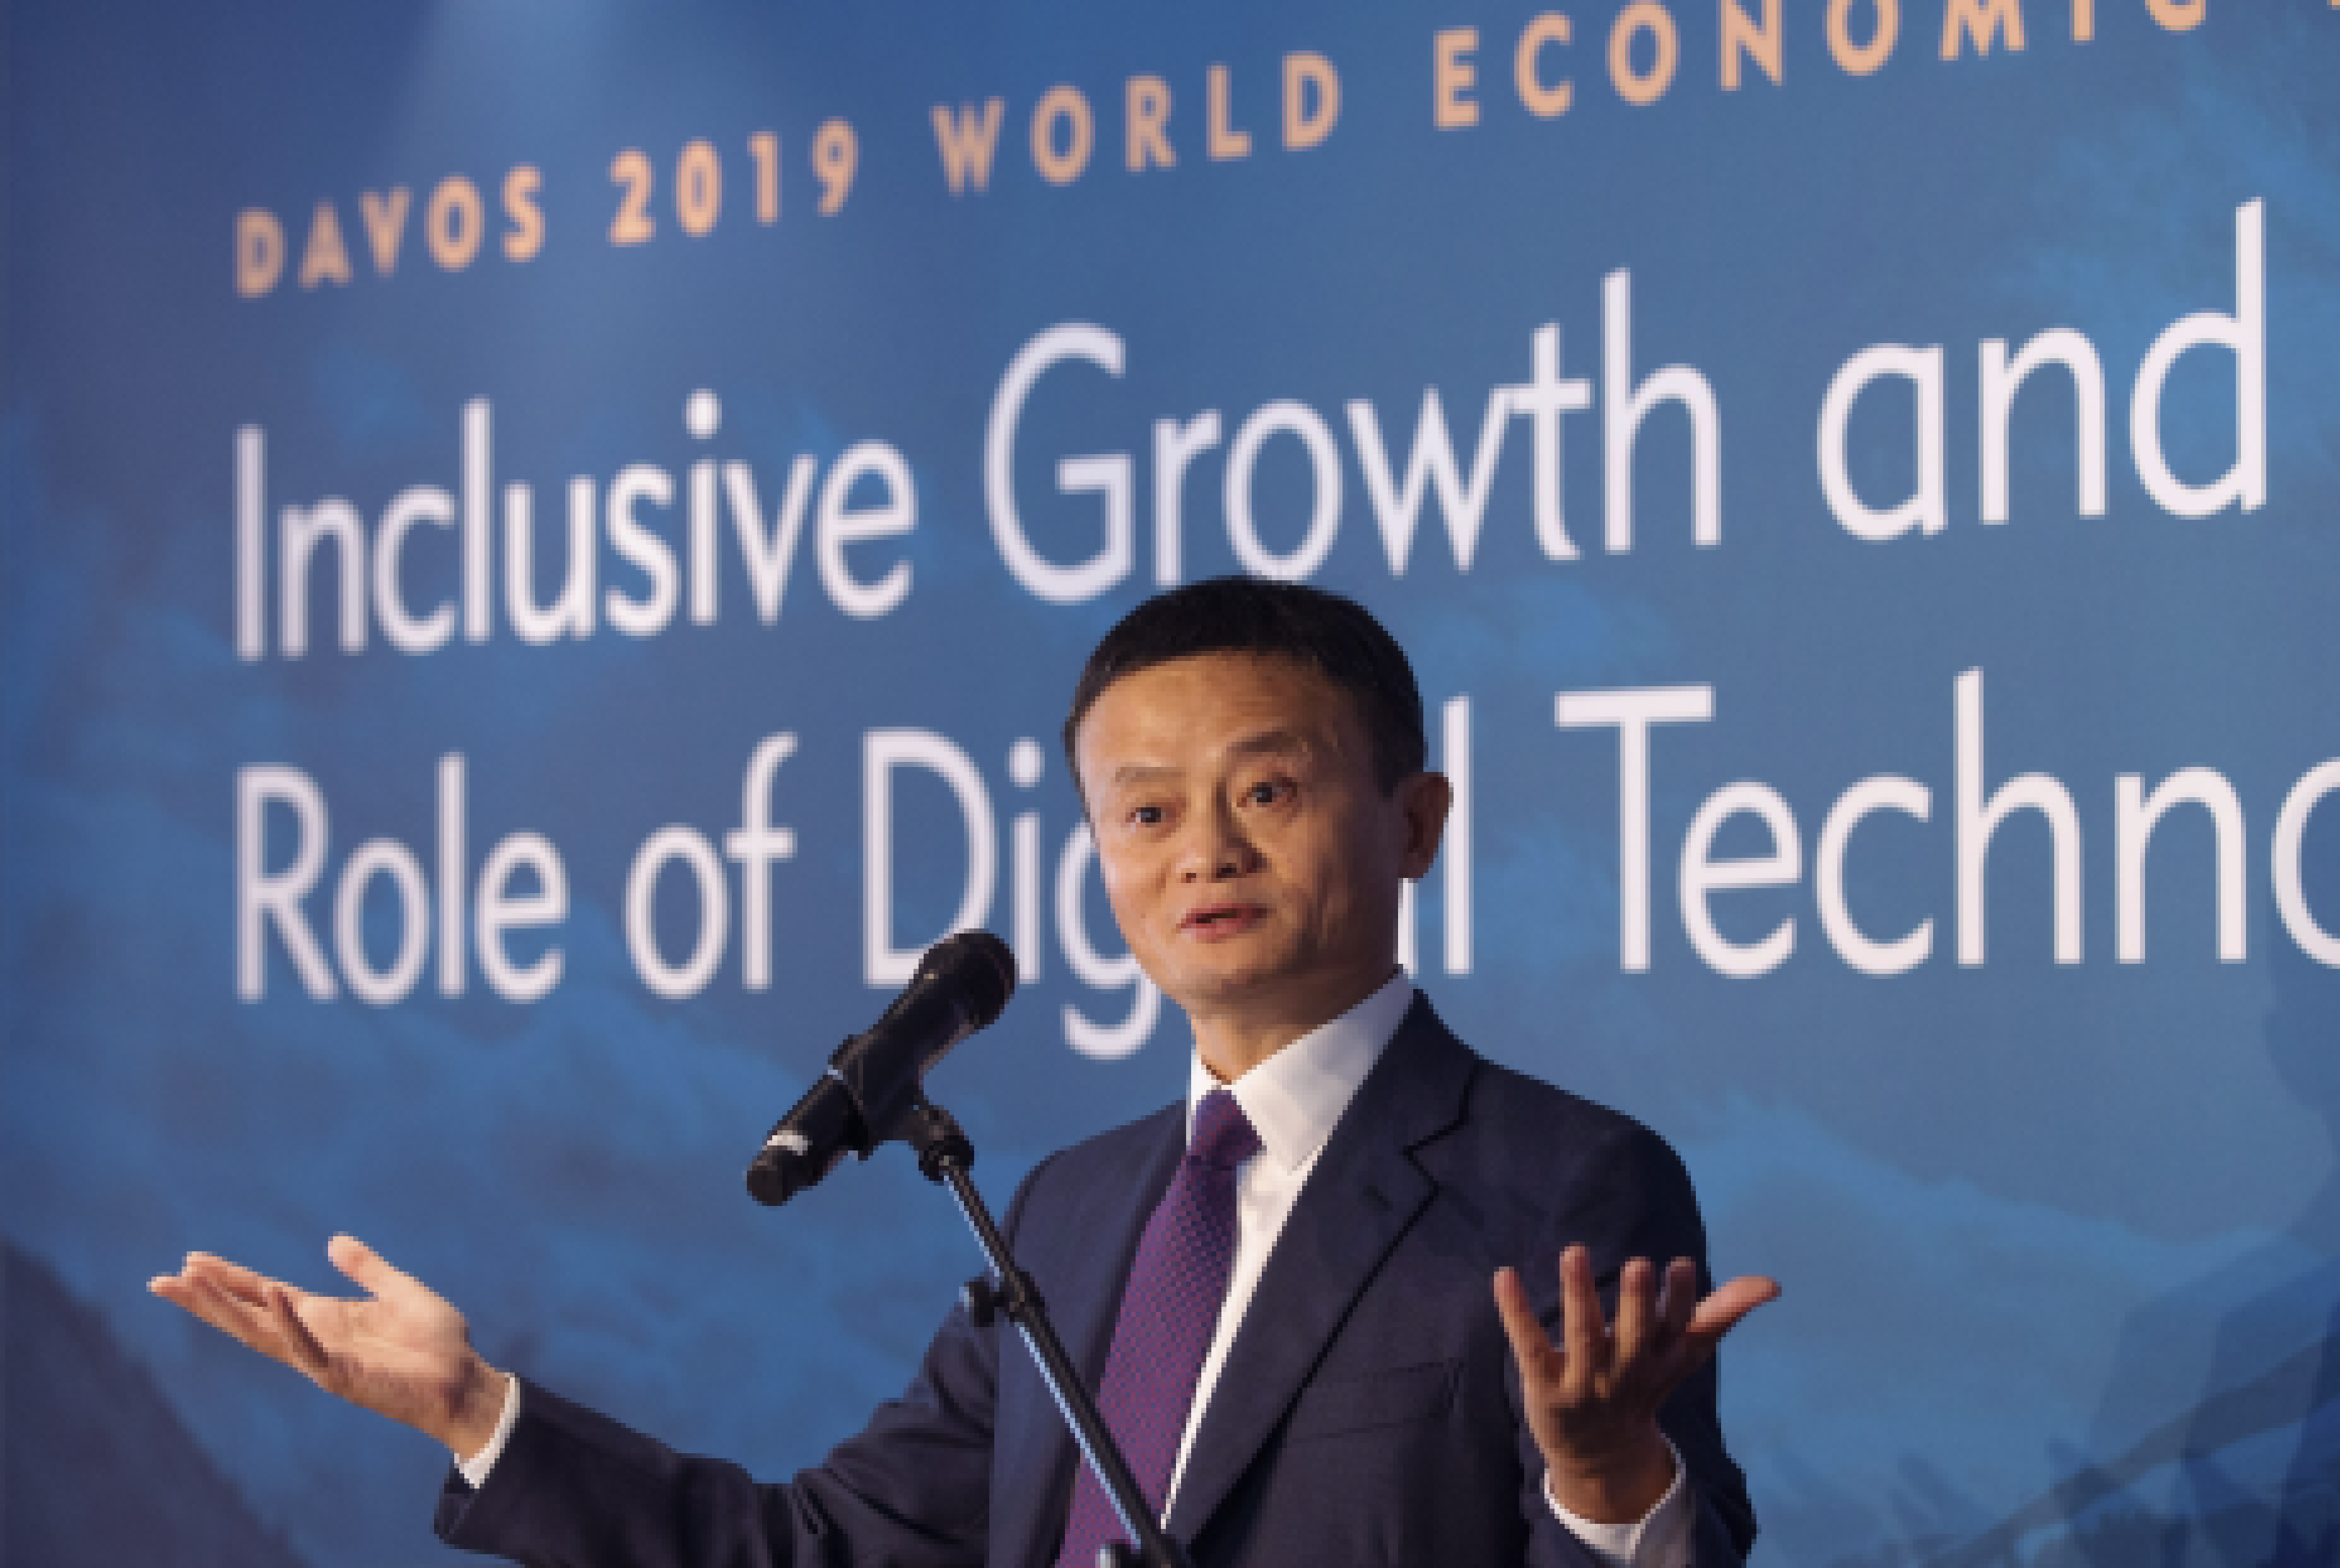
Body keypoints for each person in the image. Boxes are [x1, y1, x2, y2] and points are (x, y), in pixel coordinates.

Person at [153, 577, 1777, 1567]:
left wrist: (1602, 1481)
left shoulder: (1562, 1179)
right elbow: (815, 1550)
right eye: (1145, 810)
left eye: (1268, 791)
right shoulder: (1069, 1211)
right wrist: (477, 1412)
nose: (1202, 850)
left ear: (1413, 822)